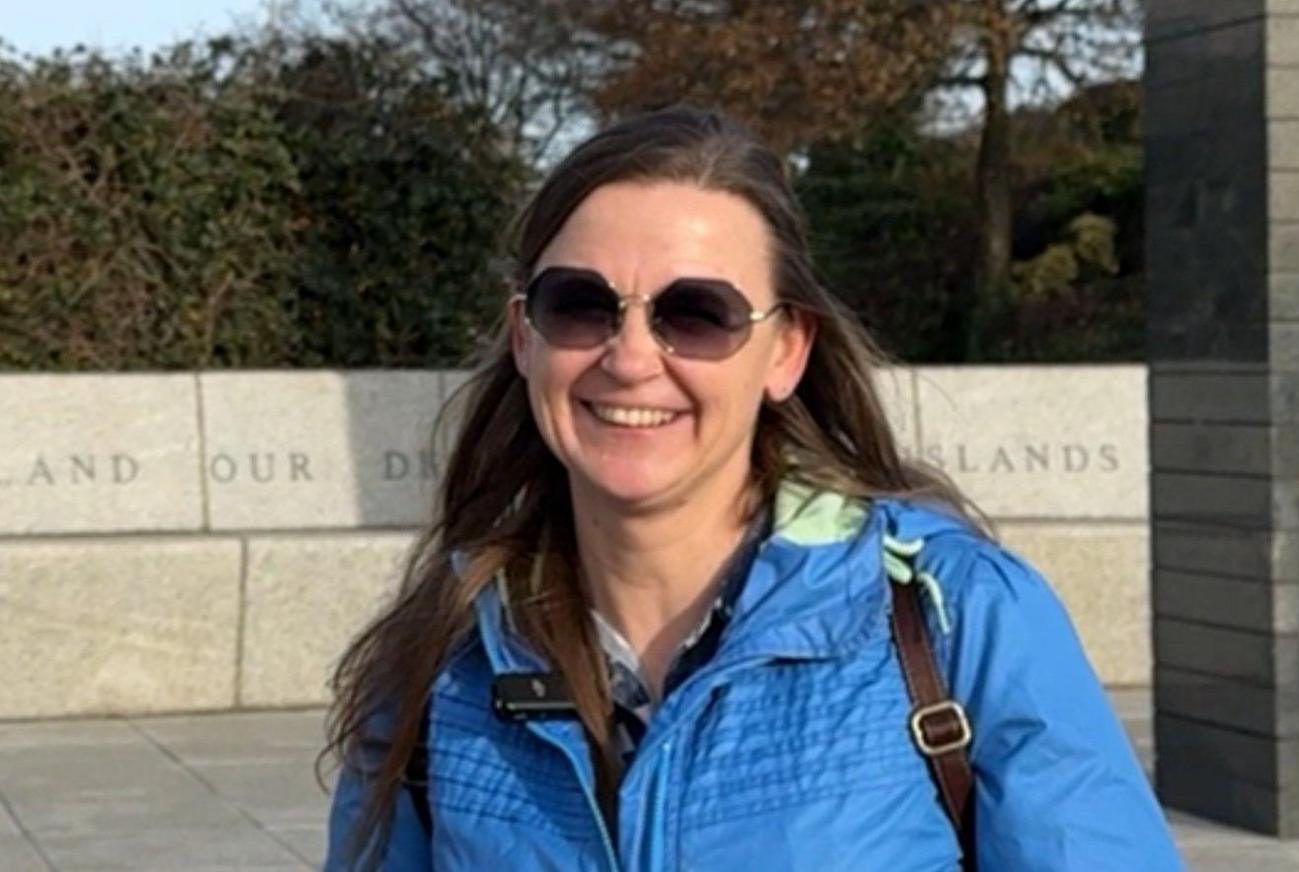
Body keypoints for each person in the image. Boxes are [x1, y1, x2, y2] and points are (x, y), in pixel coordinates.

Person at [323, 105, 1183, 871]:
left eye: (695, 313)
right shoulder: (445, 659)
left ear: (786, 350)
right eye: (580, 304)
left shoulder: (959, 618)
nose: (629, 359)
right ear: (524, 336)